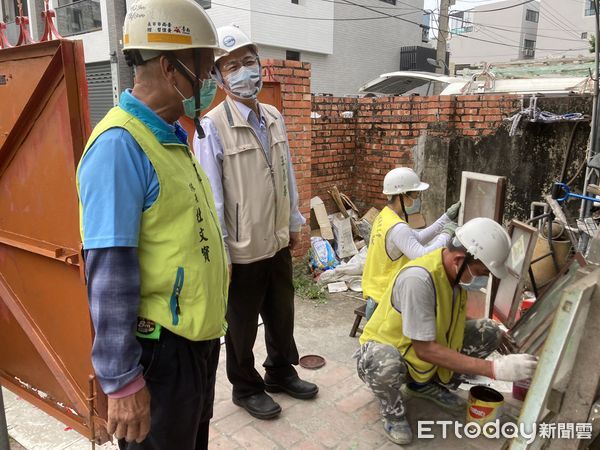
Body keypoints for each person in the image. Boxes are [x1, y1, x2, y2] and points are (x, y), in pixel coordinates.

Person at [76, 0, 229, 448]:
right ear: (169, 65)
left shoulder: (172, 137)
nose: (208, 82)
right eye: (202, 68)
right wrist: (122, 382)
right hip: (158, 357)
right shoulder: (119, 146)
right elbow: (109, 273)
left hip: (194, 345)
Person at [194, 24, 318, 420]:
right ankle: (245, 388)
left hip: (278, 239)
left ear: (260, 64)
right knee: (242, 326)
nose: (244, 72)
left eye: (249, 62)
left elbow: (287, 174)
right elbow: (210, 197)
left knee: (282, 313)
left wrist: (296, 222)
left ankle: (280, 371)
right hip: (242, 249)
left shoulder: (275, 116)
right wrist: (222, 252)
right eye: (231, 66)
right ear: (217, 76)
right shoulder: (211, 127)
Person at [356, 218, 538, 445]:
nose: (480, 278)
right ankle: (393, 412)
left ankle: (423, 384)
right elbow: (425, 350)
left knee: (488, 330)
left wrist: (496, 333)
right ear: (460, 259)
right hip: (388, 353)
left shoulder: (451, 275)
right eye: (480, 272)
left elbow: (449, 316)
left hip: (419, 349)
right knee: (385, 361)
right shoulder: (419, 279)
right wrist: (495, 369)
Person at [362, 167, 461, 320]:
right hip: (384, 302)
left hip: (377, 295)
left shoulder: (385, 217)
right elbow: (422, 255)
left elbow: (418, 237)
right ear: (403, 195)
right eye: (415, 195)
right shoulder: (397, 227)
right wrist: (446, 235)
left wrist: (445, 218)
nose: (417, 199)